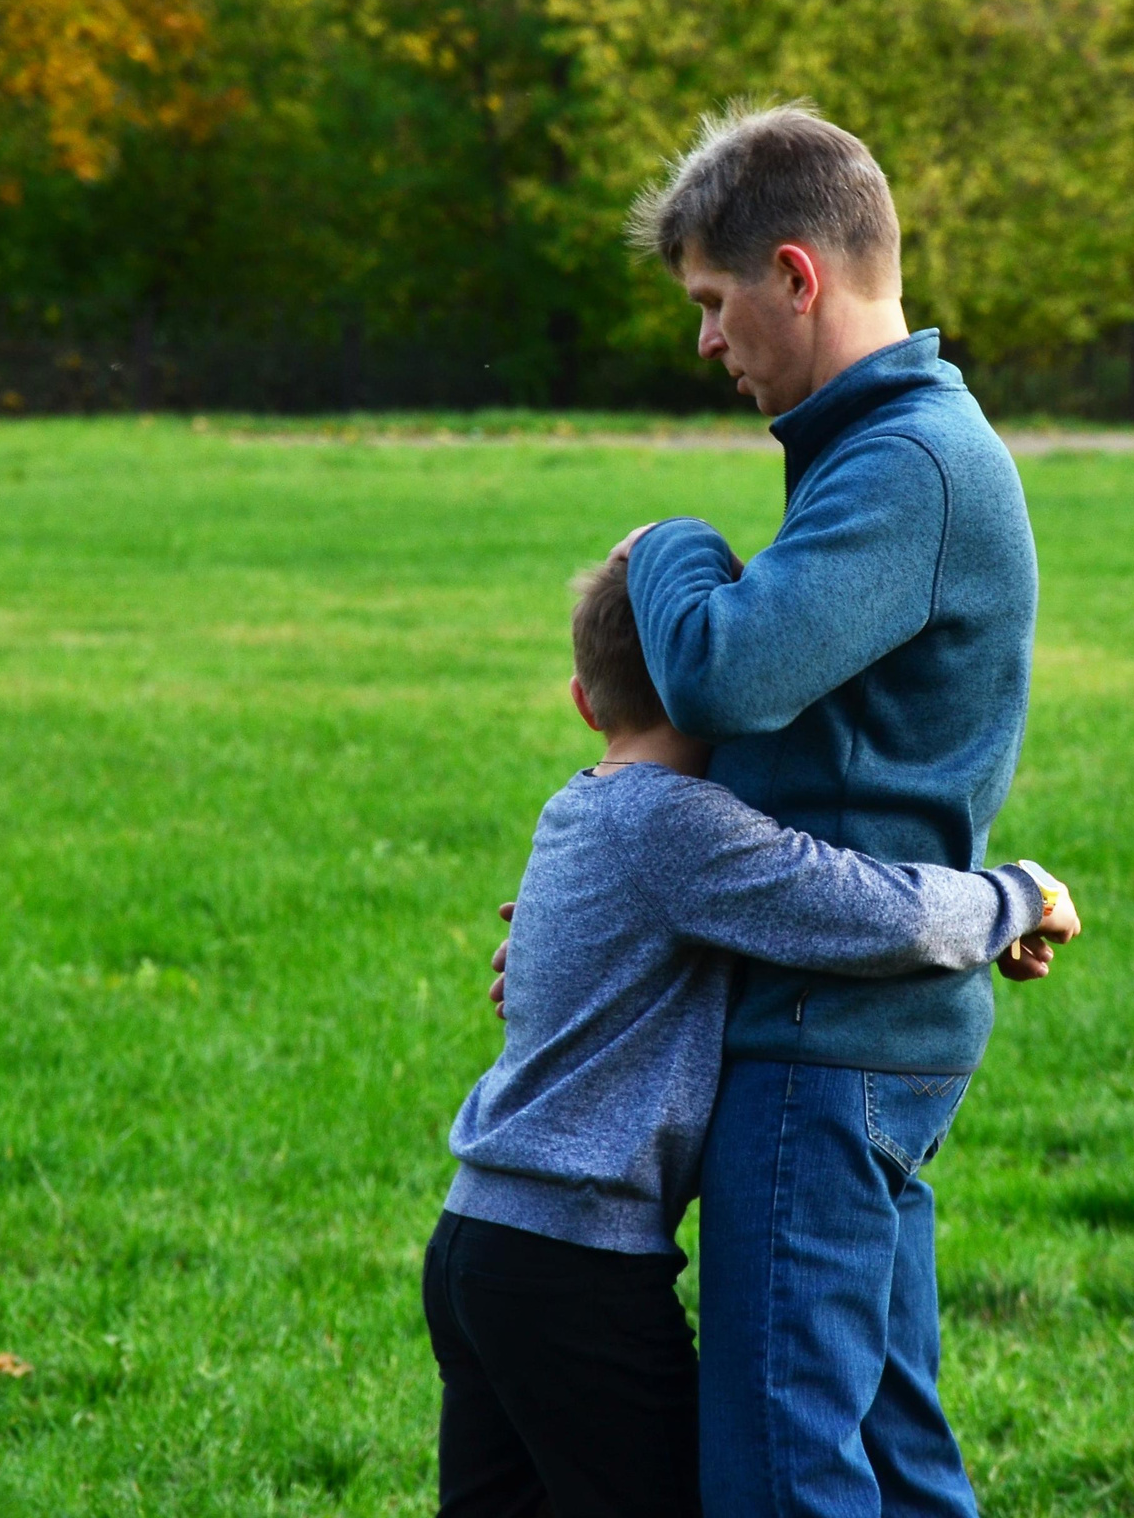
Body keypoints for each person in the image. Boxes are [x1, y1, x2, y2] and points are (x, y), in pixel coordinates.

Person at [427, 558, 1079, 1518]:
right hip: (579, 1268)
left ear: (581, 700)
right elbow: (864, 910)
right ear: (731, 695)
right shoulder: (683, 828)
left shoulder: (581, 805)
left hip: (477, 1241)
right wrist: (1019, 895)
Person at [613, 101, 1046, 1518]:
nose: (707, 342)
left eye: (714, 302)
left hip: (826, 1039)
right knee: (886, 1448)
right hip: (861, 1023)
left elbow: (732, 673)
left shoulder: (904, 462)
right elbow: (826, 759)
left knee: (783, 1466)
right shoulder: (887, 447)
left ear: (796, 276)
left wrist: (667, 548)